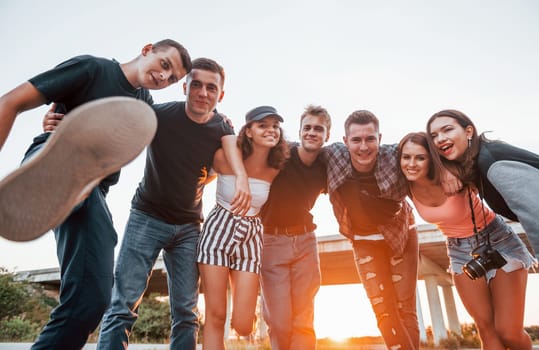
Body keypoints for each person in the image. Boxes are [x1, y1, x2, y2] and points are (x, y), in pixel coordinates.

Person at [0, 40, 191, 350]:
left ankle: (73, 185)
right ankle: (60, 173)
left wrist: (220, 126)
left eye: (172, 79)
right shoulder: (93, 69)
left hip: (94, 191)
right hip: (50, 155)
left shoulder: (145, 108)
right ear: (147, 49)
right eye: (165, 65)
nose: (164, 78)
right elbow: (10, 101)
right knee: (69, 170)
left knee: (92, 299)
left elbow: (183, 129)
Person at [96, 58, 251, 350]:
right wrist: (62, 118)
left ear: (220, 95)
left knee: (186, 312)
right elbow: (115, 123)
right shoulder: (159, 117)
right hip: (147, 217)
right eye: (196, 85)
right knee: (122, 305)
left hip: (189, 227)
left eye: (211, 87)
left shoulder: (222, 128)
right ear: (184, 87)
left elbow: (230, 165)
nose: (203, 92)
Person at [399, 131, 536, 350]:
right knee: (486, 330)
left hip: (497, 241)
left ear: (432, 159)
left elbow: (475, 151)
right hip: (458, 250)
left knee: (508, 332)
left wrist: (451, 170)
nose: (412, 164)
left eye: (420, 157)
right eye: (406, 157)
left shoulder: (455, 170)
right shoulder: (405, 185)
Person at [322, 110, 419, 349]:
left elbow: (428, 150)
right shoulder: (333, 156)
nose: (363, 147)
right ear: (345, 142)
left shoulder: (396, 155)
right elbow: (297, 151)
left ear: (380, 138)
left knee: (405, 308)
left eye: (370, 139)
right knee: (384, 311)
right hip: (364, 240)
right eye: (356, 140)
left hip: (402, 235)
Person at [197, 105, 289, 350]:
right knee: (216, 316)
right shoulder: (224, 157)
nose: (271, 130)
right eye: (263, 125)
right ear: (248, 131)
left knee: (243, 324)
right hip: (219, 231)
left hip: (251, 235)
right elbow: (222, 141)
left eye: (275, 126)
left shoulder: (276, 168)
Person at [259, 104, 331, 350]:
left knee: (303, 319)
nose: (312, 132)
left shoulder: (327, 164)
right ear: (299, 131)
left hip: (305, 243)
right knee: (278, 321)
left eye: (318, 129)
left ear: (327, 136)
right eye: (307, 127)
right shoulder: (281, 154)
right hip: (271, 241)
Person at [426, 109, 539, 260]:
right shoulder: (479, 162)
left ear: (468, 132)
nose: (440, 139)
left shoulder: (493, 163)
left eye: (448, 130)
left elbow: (535, 213)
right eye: (433, 136)